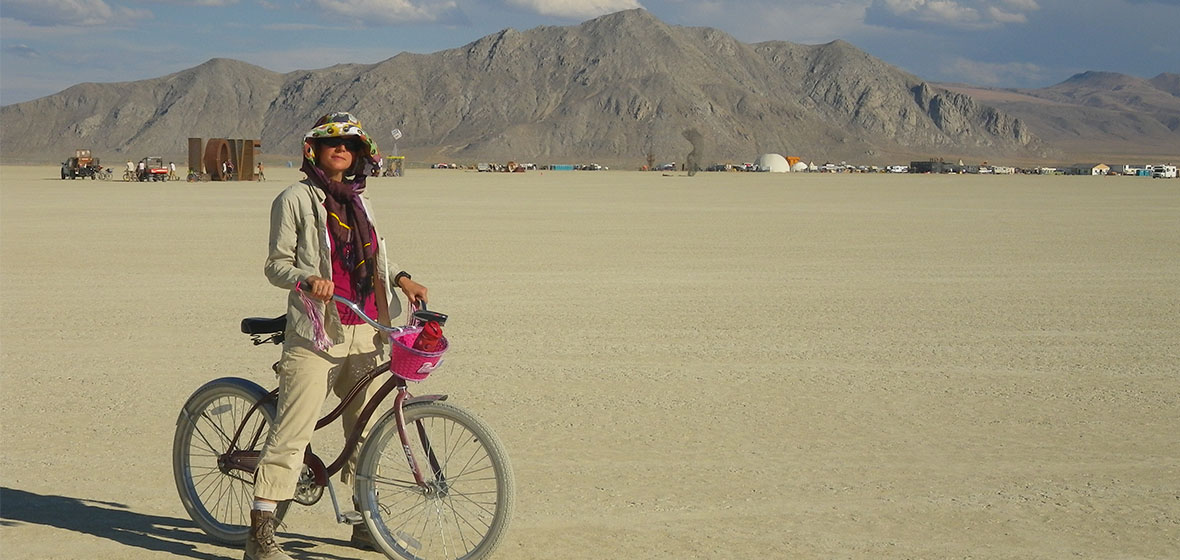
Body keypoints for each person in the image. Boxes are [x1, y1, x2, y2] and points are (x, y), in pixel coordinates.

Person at [245, 112, 428, 560]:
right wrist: (307, 279)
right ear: (315, 151)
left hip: (366, 329)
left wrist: (402, 278)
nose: (342, 150)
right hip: (317, 331)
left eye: (350, 144)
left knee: (362, 431)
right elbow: (275, 263)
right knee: (293, 429)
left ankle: (367, 523)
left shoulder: (359, 201)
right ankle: (260, 535)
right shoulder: (294, 198)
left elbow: (376, 258)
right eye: (333, 143)